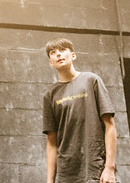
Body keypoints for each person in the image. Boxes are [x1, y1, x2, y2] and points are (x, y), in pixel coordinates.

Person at [42, 38, 117, 183]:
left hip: (95, 168)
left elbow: (110, 126)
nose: (58, 54)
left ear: (73, 55)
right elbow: (51, 142)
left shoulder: (91, 80)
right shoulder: (49, 95)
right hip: (66, 174)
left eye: (63, 50)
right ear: (50, 62)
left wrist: (109, 168)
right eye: (53, 52)